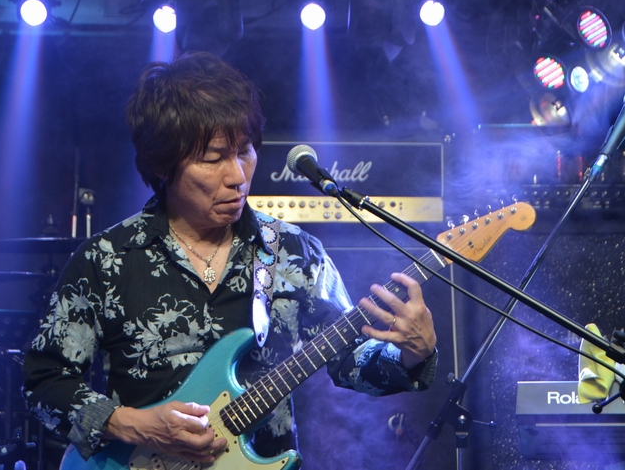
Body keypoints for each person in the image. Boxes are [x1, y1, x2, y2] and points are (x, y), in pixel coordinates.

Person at [22, 51, 438, 465]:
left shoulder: (294, 252)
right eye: (213, 158)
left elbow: (351, 362)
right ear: (163, 165)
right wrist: (133, 425)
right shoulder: (107, 259)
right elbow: (44, 382)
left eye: (245, 151)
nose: (238, 176)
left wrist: (411, 354)